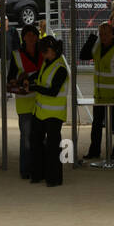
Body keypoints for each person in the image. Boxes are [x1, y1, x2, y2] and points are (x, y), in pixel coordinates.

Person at [79, 21, 114, 160]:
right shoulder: (97, 48)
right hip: (100, 95)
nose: (103, 37)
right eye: (101, 34)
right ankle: (94, 151)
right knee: (96, 125)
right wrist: (92, 38)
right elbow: (82, 55)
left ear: (112, 35)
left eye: (106, 34)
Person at [26, 36, 69, 187]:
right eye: (42, 52)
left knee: (52, 146)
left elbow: (53, 91)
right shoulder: (47, 62)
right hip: (40, 111)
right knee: (35, 142)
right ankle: (37, 174)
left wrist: (33, 87)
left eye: (46, 52)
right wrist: (27, 79)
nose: (43, 55)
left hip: (54, 114)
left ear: (55, 50)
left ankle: (54, 178)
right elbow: (39, 75)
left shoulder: (61, 68)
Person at [8, 25, 42, 179]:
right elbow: (10, 80)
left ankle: (38, 167)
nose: (30, 38)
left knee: (41, 136)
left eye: (33, 34)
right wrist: (19, 80)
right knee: (26, 138)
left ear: (37, 36)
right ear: (23, 38)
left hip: (42, 102)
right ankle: (25, 170)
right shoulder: (17, 55)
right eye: (27, 35)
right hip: (24, 103)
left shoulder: (44, 53)